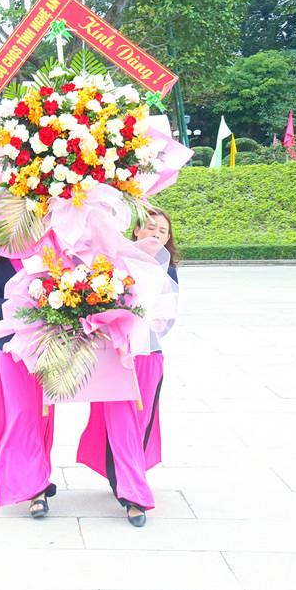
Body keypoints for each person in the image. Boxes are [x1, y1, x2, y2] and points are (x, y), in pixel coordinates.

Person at [76, 208, 179, 527]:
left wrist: (141, 330)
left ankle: (125, 476)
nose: (156, 234)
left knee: (141, 422)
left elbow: (167, 318)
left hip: (149, 355)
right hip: (115, 356)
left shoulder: (167, 271)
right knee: (121, 422)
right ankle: (135, 497)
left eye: (163, 231)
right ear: (136, 231)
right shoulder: (115, 262)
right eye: (151, 228)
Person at [0, 221, 57, 517]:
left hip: (46, 345)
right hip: (12, 349)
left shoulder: (43, 255)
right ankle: (34, 489)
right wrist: (30, 304)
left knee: (43, 416)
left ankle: (38, 475)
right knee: (21, 415)